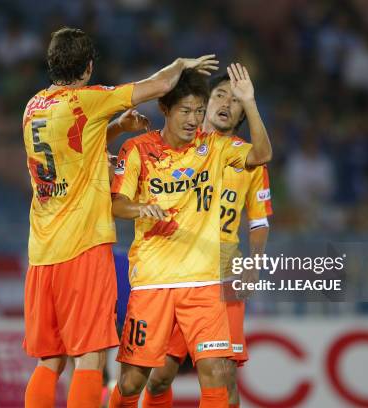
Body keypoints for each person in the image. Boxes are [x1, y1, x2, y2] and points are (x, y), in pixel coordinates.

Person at [22, 26, 218, 408]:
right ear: (89, 67)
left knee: (50, 359)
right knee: (90, 356)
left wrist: (116, 129)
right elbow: (159, 85)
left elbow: (71, 150)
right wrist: (180, 64)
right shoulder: (89, 99)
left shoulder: (33, 106)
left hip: (41, 251)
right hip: (82, 246)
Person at [108, 64, 272, 408]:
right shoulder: (137, 149)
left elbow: (262, 155)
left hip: (208, 281)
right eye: (186, 110)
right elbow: (116, 204)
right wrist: (141, 208)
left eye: (199, 111)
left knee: (218, 374)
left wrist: (251, 102)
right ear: (165, 109)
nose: (194, 120)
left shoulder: (215, 148)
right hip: (154, 281)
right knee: (134, 381)